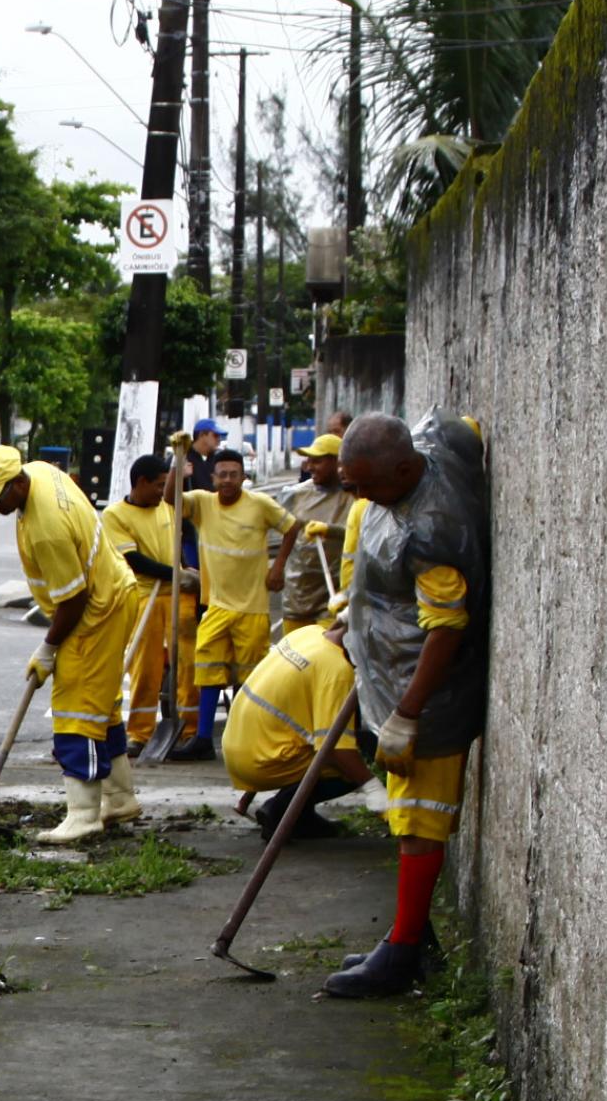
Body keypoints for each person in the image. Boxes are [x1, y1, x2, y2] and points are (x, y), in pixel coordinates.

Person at [324, 410, 489, 999]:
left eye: (365, 484)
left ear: (401, 468)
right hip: (389, 676)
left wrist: (409, 713)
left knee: (418, 823)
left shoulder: (432, 532)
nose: (357, 495)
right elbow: (459, 424)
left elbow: (446, 627)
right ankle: (409, 935)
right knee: (405, 817)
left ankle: (402, 958)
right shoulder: (435, 443)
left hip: (426, 698)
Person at [0, 444, 138, 841]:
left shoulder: (47, 530)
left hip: (96, 610)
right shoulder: (41, 470)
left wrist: (48, 648)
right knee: (101, 706)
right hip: (113, 591)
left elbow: (72, 599)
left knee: (76, 709)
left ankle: (84, 814)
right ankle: (120, 798)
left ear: (18, 484)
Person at [173, 446, 298, 761]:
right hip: (217, 605)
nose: (228, 480)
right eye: (222, 475)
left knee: (249, 676)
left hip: (252, 608)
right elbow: (170, 500)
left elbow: (292, 527)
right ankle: (203, 739)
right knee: (208, 670)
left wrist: (278, 567)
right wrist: (177, 461)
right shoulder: (203, 503)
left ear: (244, 477)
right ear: (213, 478)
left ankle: (244, 737)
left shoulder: (260, 505)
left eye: (234, 474)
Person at [222, 622, 385, 841]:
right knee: (364, 752)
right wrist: (373, 788)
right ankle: (283, 812)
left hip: (239, 742)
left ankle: (300, 814)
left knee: (351, 739)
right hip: (260, 759)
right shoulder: (337, 671)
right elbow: (337, 749)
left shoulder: (310, 633)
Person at [102, 454, 199, 756]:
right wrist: (176, 573)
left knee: (189, 663)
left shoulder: (168, 508)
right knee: (145, 667)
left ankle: (189, 728)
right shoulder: (115, 515)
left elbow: (181, 541)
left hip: (179, 595)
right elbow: (134, 560)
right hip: (145, 595)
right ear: (141, 482)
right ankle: (140, 732)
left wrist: (187, 570)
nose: (162, 491)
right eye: (158, 485)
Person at [279, 435, 354, 631]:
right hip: (299, 593)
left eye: (317, 461)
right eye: (309, 461)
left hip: (335, 595)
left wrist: (331, 531)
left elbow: (363, 536)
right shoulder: (295, 495)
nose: (310, 467)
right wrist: (277, 568)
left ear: (337, 462)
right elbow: (284, 535)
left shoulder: (356, 496)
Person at [186, 417, 227, 492]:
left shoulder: (217, 460)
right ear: (202, 435)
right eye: (215, 435)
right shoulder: (183, 458)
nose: (219, 439)